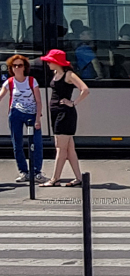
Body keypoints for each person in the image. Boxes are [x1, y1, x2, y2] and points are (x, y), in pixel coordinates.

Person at [39, 49, 89, 187]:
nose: (48, 63)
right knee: (69, 148)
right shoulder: (56, 73)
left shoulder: (69, 75)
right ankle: (79, 177)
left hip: (65, 114)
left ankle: (55, 178)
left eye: (50, 61)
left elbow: (85, 89)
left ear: (57, 62)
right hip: (56, 112)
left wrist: (73, 103)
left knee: (60, 148)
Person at [0, 55, 48, 185]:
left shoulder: (32, 81)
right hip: (15, 114)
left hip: (31, 114)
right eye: (14, 66)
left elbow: (38, 101)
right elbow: (1, 95)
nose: (17, 68)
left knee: (36, 143)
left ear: (25, 67)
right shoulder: (9, 82)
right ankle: (23, 172)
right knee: (17, 143)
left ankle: (37, 172)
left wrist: (38, 118)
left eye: (20, 65)